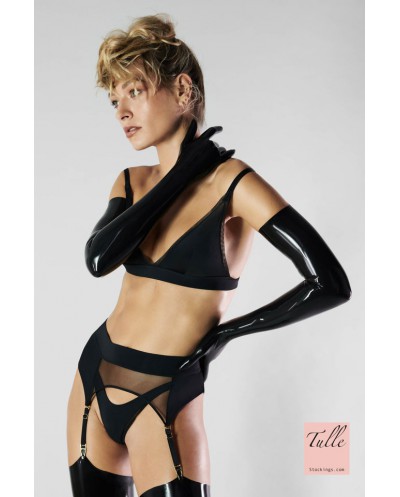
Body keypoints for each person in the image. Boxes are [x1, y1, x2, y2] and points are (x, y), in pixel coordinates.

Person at [66, 13, 352, 497]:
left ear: (182, 90)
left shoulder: (233, 183)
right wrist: (179, 175)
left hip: (166, 394)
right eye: (115, 100)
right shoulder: (131, 182)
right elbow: (98, 260)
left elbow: (331, 283)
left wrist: (224, 335)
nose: (121, 111)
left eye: (134, 91)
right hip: (93, 379)